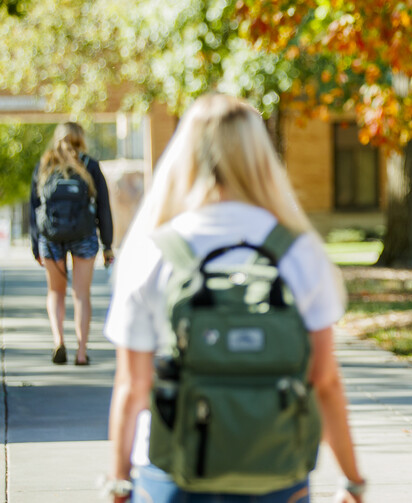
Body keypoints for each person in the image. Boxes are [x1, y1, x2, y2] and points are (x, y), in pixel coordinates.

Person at [103, 94, 365, 503]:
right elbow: (324, 379)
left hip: (173, 471)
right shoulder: (298, 250)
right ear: (260, 156)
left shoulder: (152, 250)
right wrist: (351, 479)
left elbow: (133, 385)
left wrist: (119, 481)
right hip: (277, 468)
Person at [29, 121, 114, 366]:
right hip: (84, 235)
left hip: (51, 236)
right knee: (81, 294)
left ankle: (58, 341)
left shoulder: (45, 165)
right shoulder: (90, 166)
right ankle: (81, 352)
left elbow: (33, 208)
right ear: (81, 139)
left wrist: (36, 244)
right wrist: (107, 244)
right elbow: (104, 208)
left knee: (55, 292)